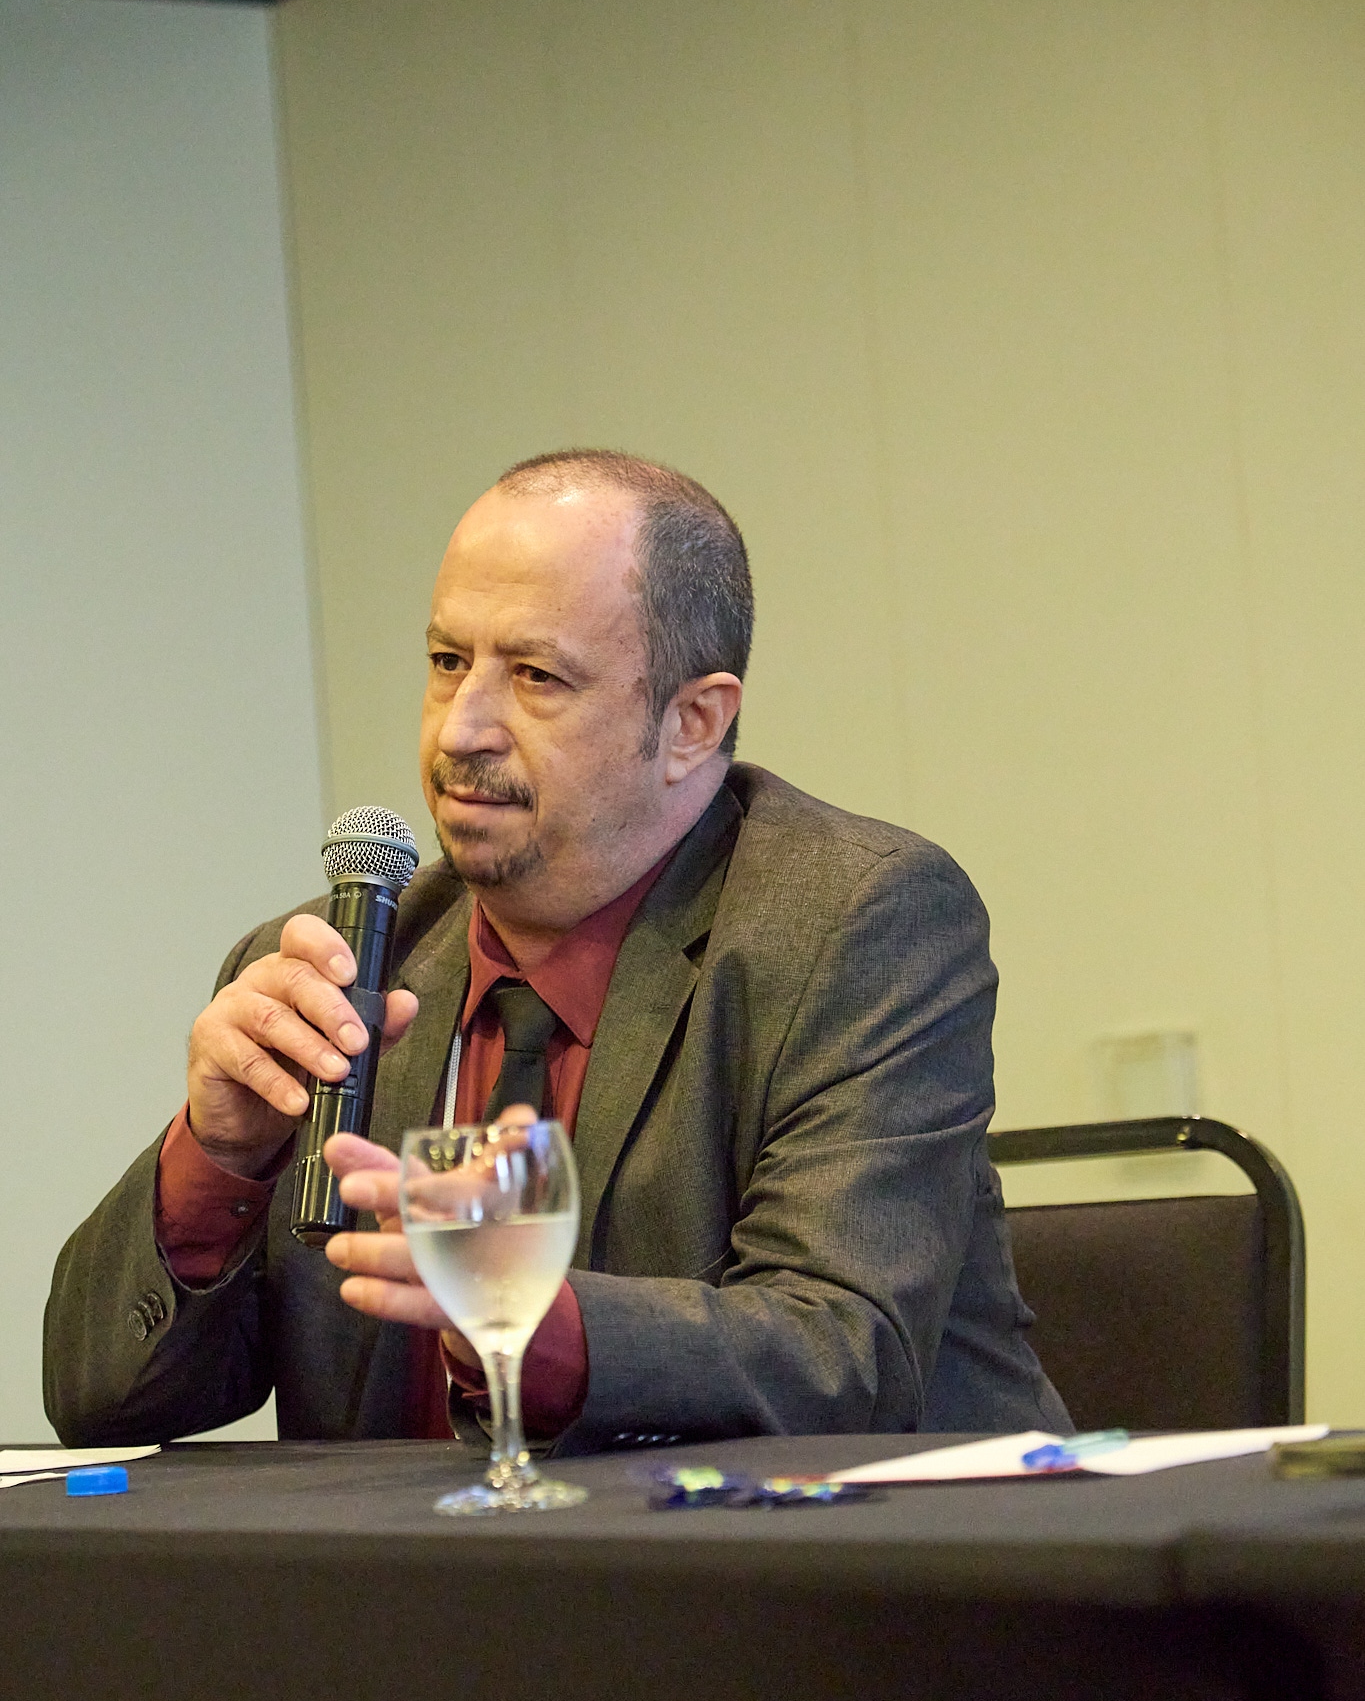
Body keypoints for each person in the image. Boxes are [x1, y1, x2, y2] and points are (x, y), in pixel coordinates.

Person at [44, 450, 1067, 1450]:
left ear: (692, 722)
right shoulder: (332, 971)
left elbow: (842, 1354)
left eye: (536, 676)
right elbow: (99, 1405)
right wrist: (219, 1155)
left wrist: (542, 1330)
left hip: (834, 1548)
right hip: (415, 1559)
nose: (461, 730)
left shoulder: (852, 922)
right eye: (448, 662)